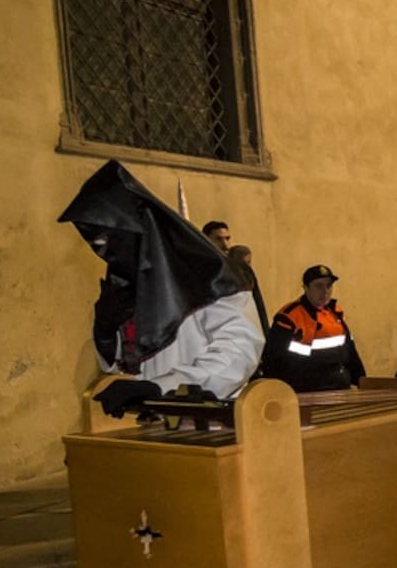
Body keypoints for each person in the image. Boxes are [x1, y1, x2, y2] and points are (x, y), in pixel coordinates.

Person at [58, 161, 264, 416]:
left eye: (109, 239)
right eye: (96, 243)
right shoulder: (129, 283)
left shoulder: (210, 277)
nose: (103, 251)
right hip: (158, 419)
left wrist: (164, 387)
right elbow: (130, 364)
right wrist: (107, 336)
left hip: (211, 420)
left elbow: (239, 353)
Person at [262, 264, 365, 392]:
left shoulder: (335, 312)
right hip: (306, 391)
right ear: (306, 288)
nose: (325, 291)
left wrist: (362, 382)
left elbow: (350, 352)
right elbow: (273, 360)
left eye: (329, 286)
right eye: (318, 286)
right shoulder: (290, 316)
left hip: (339, 387)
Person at [227, 243, 269, 338]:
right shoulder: (227, 279)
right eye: (243, 263)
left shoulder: (250, 277)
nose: (247, 267)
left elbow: (259, 304)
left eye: (249, 262)